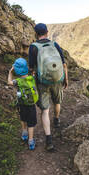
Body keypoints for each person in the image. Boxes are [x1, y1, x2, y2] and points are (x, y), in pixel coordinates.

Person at [29, 23, 68, 151]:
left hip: (42, 82)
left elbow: (31, 68)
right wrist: (65, 79)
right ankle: (56, 120)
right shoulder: (54, 45)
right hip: (57, 79)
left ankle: (49, 140)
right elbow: (64, 64)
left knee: (45, 110)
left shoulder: (33, 47)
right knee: (57, 102)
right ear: (47, 32)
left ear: (36, 34)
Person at [8, 58, 38, 150]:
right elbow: (33, 73)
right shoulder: (32, 78)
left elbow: (9, 82)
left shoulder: (18, 81)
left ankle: (24, 133)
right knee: (31, 123)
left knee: (23, 118)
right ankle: (31, 141)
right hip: (31, 105)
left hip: (22, 105)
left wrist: (10, 72)